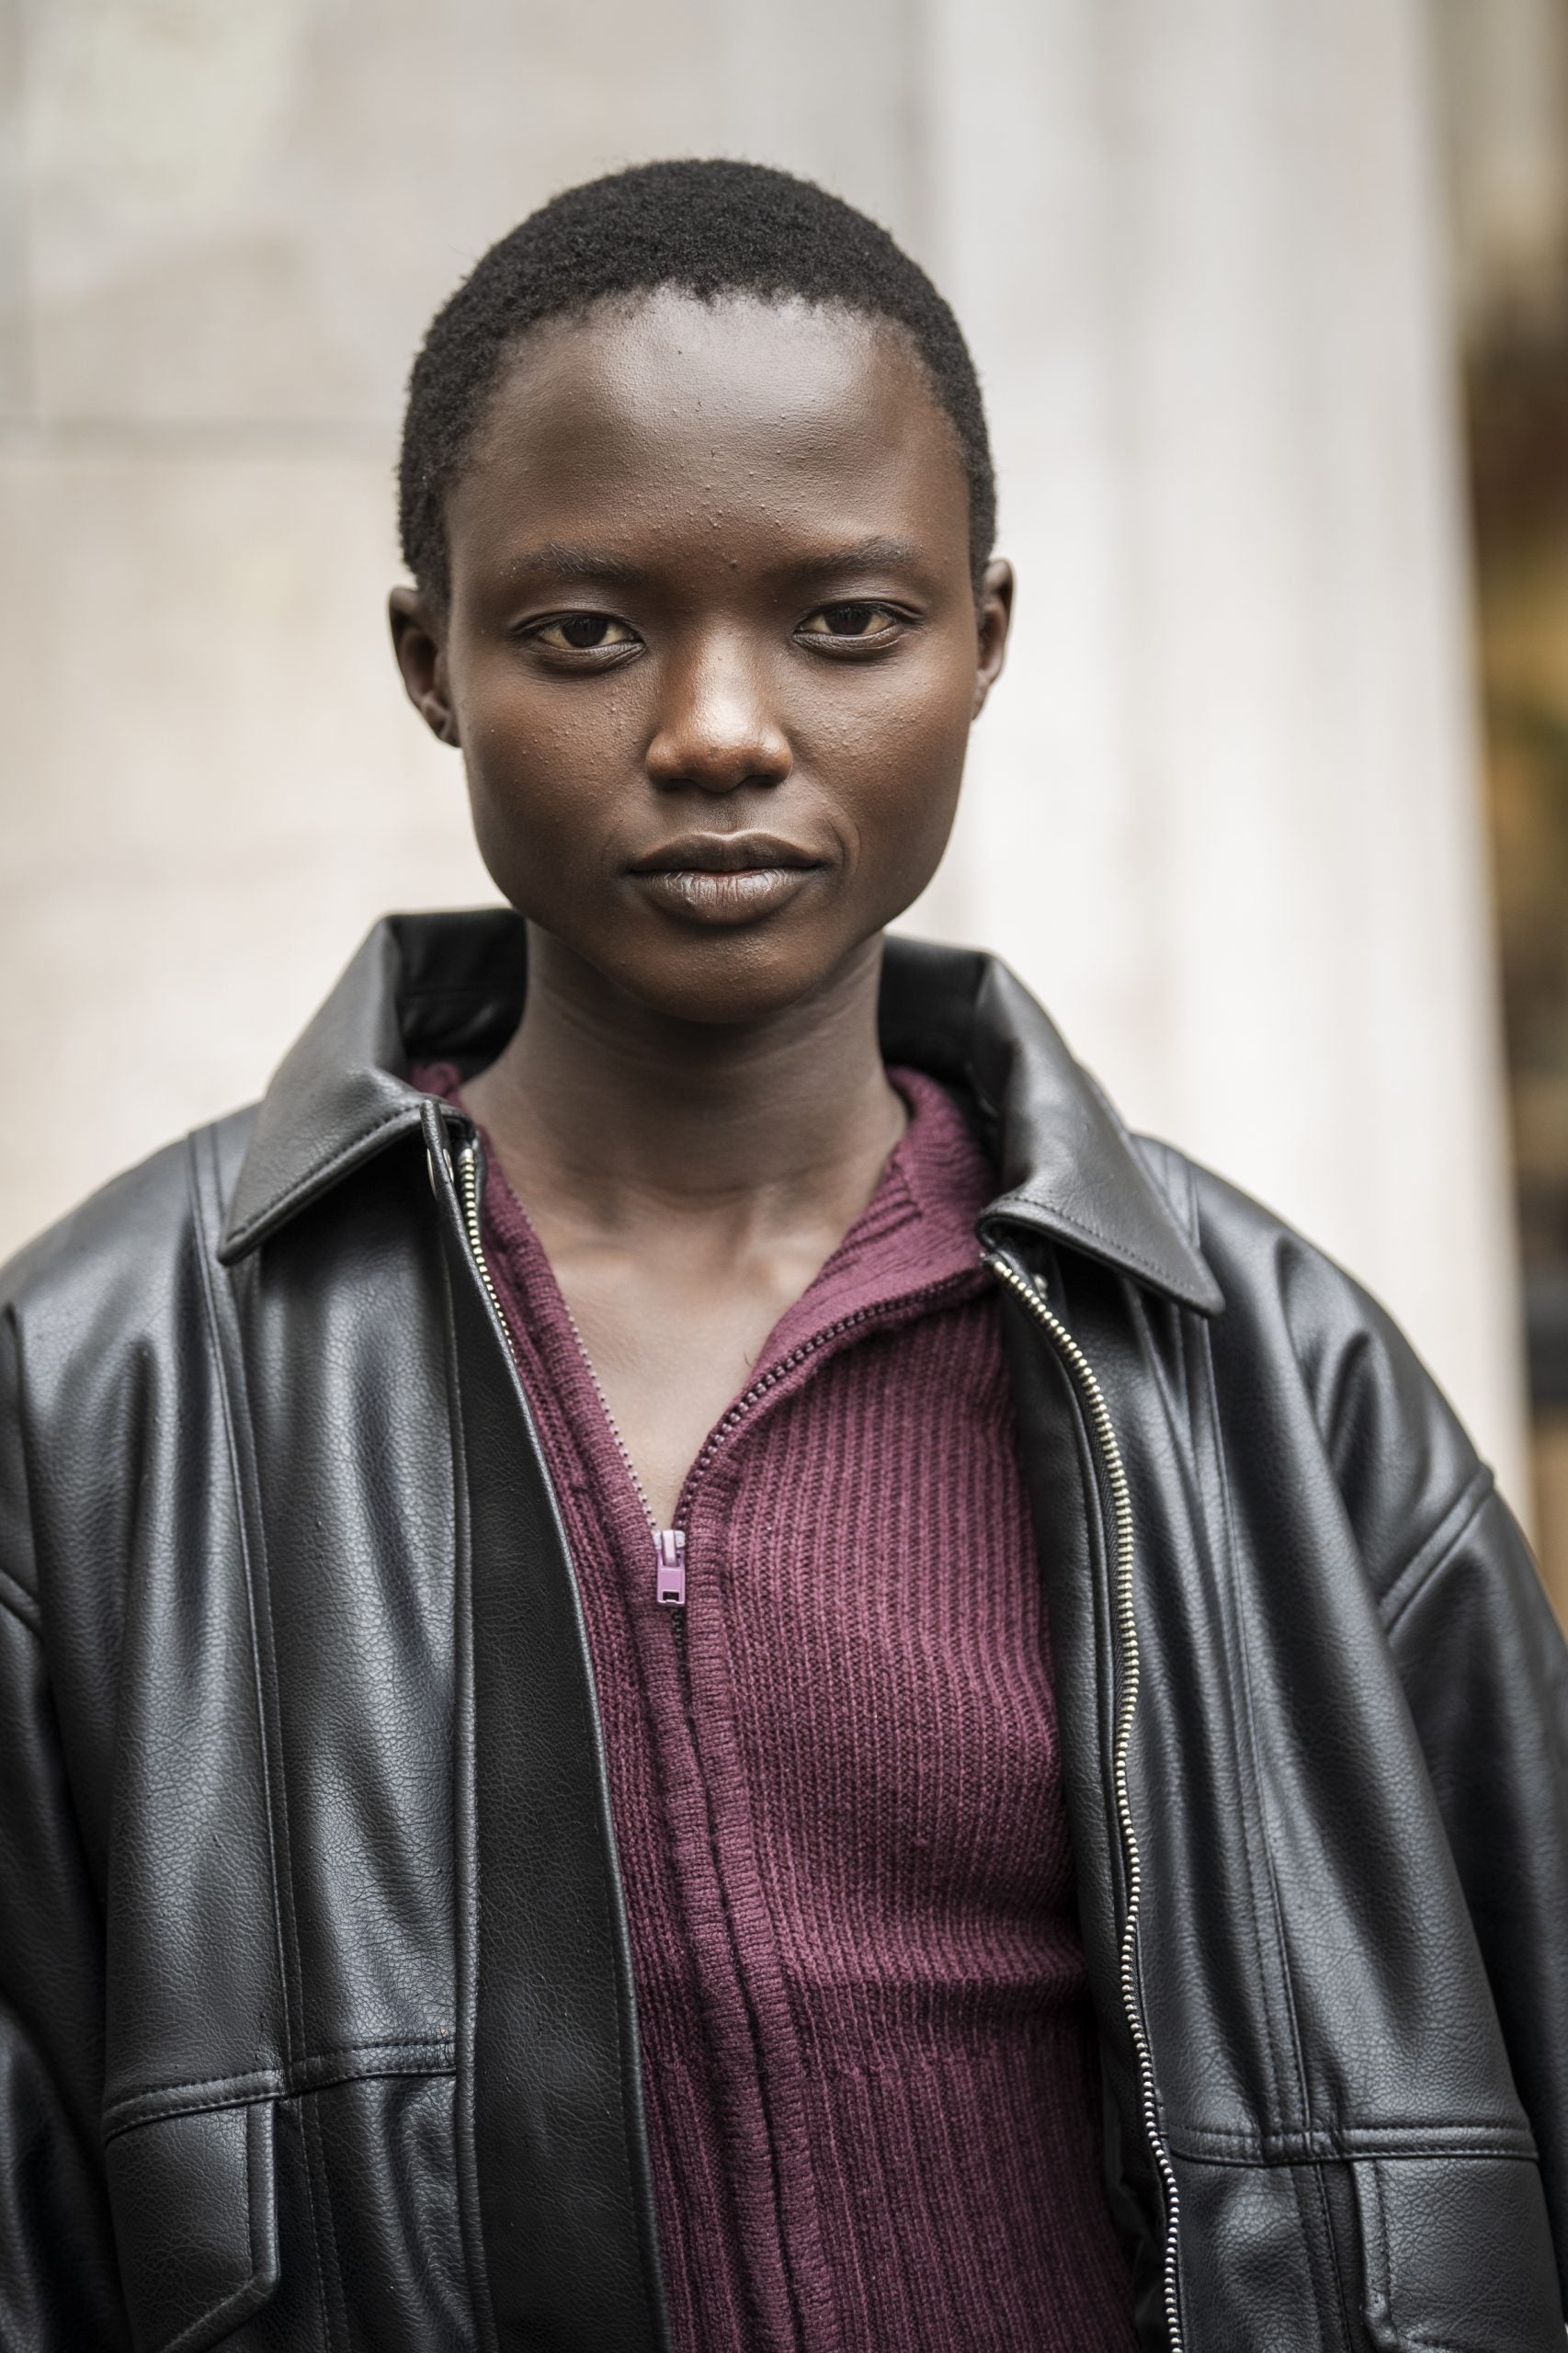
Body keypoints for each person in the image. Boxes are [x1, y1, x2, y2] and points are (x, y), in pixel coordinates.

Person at [1, 157, 1564, 2353]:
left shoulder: (1272, 1380)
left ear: (981, 640)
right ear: (426, 657)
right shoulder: (102, 1386)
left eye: (845, 622)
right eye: (586, 630)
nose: (720, 730)